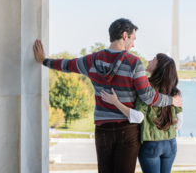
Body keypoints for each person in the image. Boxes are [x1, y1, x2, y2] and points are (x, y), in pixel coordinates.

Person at [33, 18, 183, 173]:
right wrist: (172, 100)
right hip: (128, 129)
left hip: (102, 130)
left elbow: (66, 65)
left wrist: (44, 61)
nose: (133, 44)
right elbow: (149, 97)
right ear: (125, 35)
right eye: (133, 39)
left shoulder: (91, 60)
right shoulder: (134, 62)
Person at [101, 54, 183, 173]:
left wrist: (115, 102)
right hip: (171, 143)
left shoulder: (146, 88)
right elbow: (179, 122)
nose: (149, 60)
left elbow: (138, 117)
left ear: (159, 66)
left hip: (151, 144)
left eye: (154, 59)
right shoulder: (174, 90)